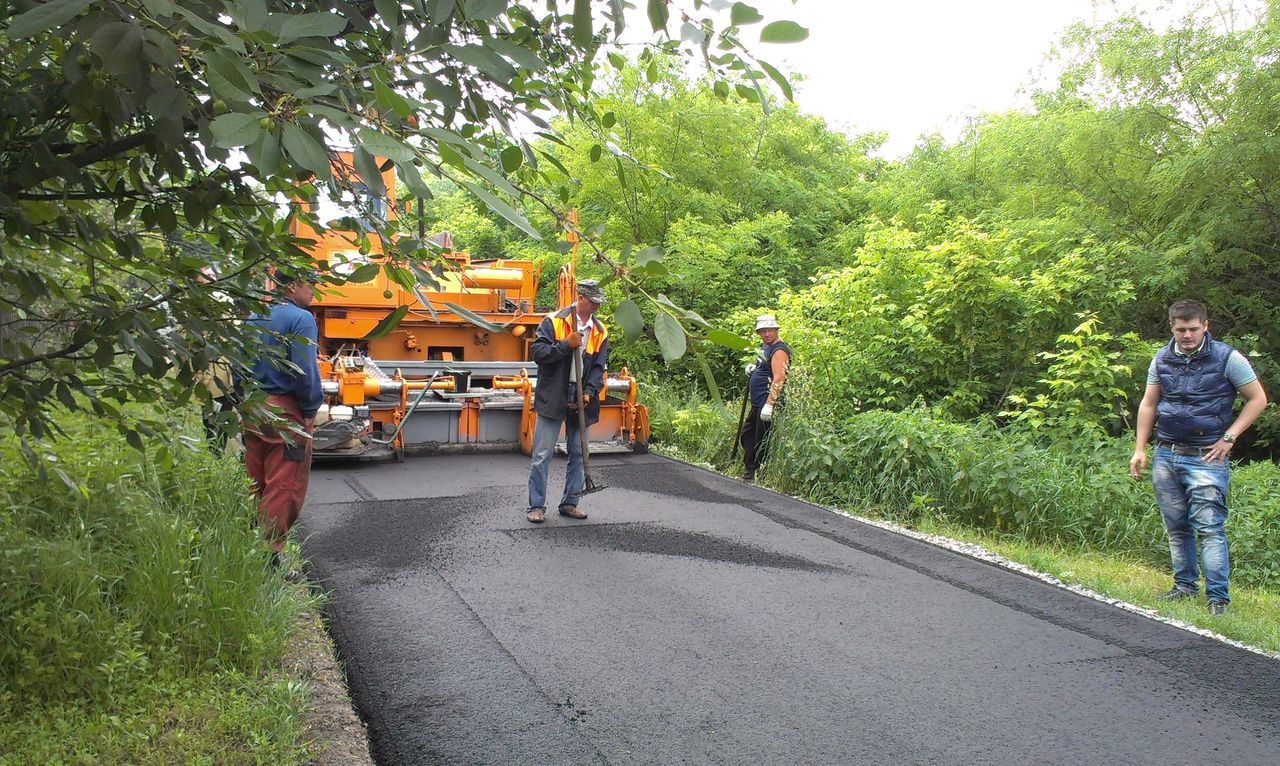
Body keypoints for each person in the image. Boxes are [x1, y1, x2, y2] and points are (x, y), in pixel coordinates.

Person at [1128, 299, 1267, 616]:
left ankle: (1218, 598)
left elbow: (1258, 399)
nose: (1187, 335)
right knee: (1176, 527)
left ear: (1206, 326)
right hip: (1167, 452)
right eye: (1181, 330)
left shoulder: (1228, 358)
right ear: (1172, 328)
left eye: (1193, 329)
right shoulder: (1161, 358)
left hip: (1206, 455)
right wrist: (1140, 448)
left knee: (1209, 528)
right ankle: (1183, 587)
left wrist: (1229, 438)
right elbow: (1149, 403)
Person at [242, 271, 324, 565]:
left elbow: (240, 364)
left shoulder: (254, 316)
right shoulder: (301, 319)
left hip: (252, 408)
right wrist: (311, 408)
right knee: (285, 483)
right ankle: (269, 557)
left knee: (255, 478)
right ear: (292, 286)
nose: (314, 292)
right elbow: (305, 372)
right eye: (310, 285)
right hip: (285, 413)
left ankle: (245, 542)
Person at [526, 280, 609, 523]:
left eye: (598, 303)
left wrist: (589, 392)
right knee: (542, 454)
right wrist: (565, 345)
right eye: (593, 301)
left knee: (578, 452)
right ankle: (536, 506)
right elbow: (538, 355)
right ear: (581, 297)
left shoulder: (600, 331)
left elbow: (598, 368)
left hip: (581, 396)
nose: (596, 307)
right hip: (554, 394)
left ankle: (570, 503)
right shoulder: (554, 321)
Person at [739, 314, 791, 483]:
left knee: (762, 438)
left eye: (769, 330)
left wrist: (770, 404)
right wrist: (754, 368)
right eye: (763, 331)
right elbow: (764, 366)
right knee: (748, 435)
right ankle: (751, 470)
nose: (766, 334)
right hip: (758, 403)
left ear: (776, 330)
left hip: (766, 403)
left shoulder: (779, 350)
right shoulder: (765, 347)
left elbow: (778, 378)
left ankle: (759, 473)